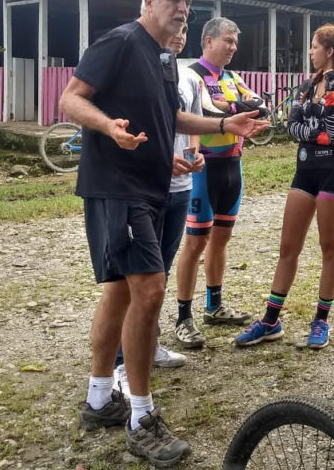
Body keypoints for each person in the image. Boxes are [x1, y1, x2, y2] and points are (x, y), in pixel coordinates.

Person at [59, 0, 265, 466]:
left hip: (148, 185)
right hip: (117, 186)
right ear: (148, 2)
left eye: (188, 2)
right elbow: (70, 98)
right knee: (149, 290)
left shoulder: (165, 57)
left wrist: (224, 123)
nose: (182, 9)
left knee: (119, 291)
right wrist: (109, 127)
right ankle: (141, 416)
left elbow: (169, 118)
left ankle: (98, 399)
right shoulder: (120, 42)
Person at [235, 24, 334, 350]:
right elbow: (292, 128)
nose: (310, 52)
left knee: (329, 248)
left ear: (329, 51)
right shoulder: (305, 87)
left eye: (314, 46)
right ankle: (270, 320)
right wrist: (320, 131)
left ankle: (321, 320)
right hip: (305, 173)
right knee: (288, 248)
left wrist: (320, 129)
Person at [111, 23, 204, 396]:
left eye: (185, 28)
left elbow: (189, 121)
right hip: (143, 189)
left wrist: (196, 151)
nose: (179, 33)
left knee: (158, 276)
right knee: (132, 281)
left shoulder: (187, 77)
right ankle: (120, 362)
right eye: (174, 26)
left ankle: (148, 344)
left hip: (180, 188)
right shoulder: (137, 68)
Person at [172, 17, 266, 349]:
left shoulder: (233, 78)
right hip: (204, 169)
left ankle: (214, 306)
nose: (233, 47)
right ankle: (183, 317)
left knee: (222, 239)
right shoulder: (192, 76)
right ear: (208, 41)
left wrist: (231, 108)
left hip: (233, 166)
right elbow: (207, 112)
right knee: (195, 243)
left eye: (235, 42)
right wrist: (234, 109)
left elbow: (260, 106)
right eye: (228, 40)